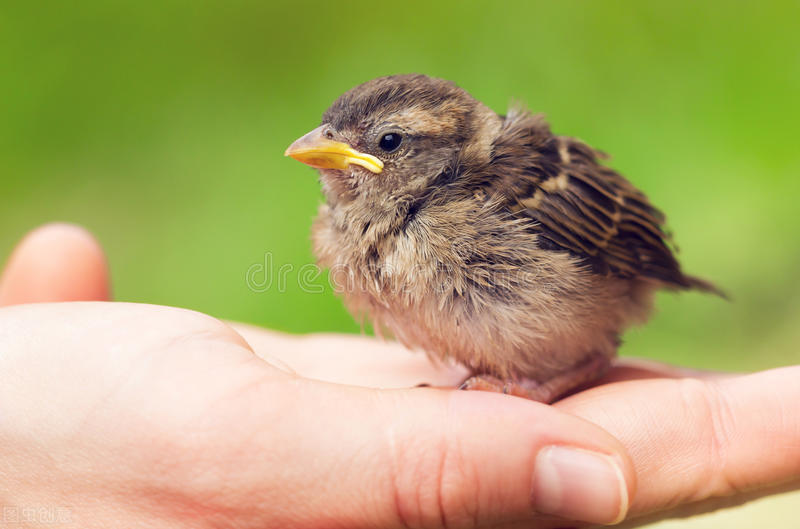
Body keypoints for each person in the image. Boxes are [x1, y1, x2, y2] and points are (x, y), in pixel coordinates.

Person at [0, 223, 797, 529]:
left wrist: (547, 380)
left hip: (594, 298)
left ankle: (568, 371)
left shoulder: (493, 195)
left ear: (431, 156)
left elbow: (611, 239)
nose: (335, 152)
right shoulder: (343, 230)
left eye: (386, 145)